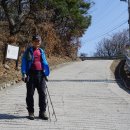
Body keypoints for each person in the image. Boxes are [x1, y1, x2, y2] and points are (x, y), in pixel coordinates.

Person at [21, 34, 50, 120]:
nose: (37, 42)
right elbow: (23, 63)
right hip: (31, 75)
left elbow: (44, 62)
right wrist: (24, 73)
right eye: (35, 41)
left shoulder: (41, 51)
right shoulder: (28, 51)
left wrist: (46, 73)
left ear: (40, 42)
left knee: (42, 94)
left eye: (38, 41)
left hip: (41, 75)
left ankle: (42, 112)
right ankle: (31, 112)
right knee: (30, 94)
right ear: (32, 42)